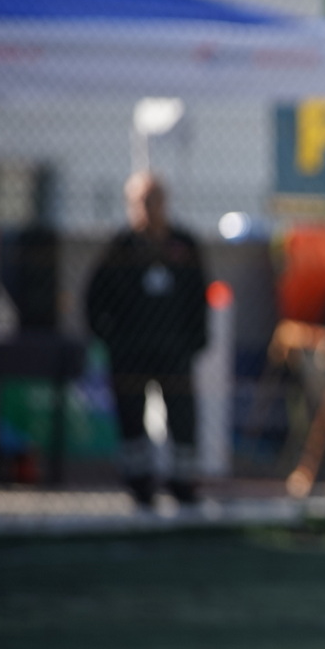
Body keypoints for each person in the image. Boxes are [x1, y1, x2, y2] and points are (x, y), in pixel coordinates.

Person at [85, 171, 208, 507]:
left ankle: (183, 484)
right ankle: (139, 485)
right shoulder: (120, 248)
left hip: (174, 351)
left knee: (182, 416)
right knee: (131, 416)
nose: (148, 209)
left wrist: (196, 339)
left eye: (154, 201)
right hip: (130, 352)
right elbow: (94, 298)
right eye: (141, 202)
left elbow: (199, 296)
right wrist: (111, 339)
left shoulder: (183, 245)